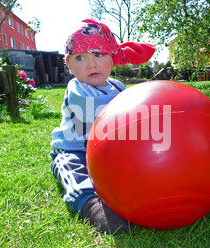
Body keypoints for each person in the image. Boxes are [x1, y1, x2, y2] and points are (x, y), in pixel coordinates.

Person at [50, 19, 155, 234]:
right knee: (73, 171)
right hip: (76, 149)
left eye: (98, 54)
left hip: (107, 152)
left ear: (112, 59)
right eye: (80, 58)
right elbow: (108, 116)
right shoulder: (77, 89)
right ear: (70, 67)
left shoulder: (117, 86)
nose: (91, 64)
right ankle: (91, 206)